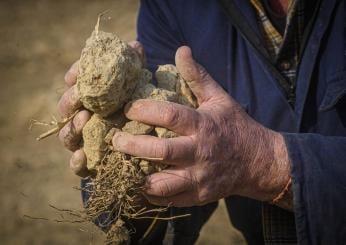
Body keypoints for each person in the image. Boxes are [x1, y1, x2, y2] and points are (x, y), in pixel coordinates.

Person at [58, 0, 346, 244]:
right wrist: (134, 189)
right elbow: (169, 145)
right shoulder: (174, 6)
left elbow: (249, 160)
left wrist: (268, 164)